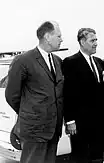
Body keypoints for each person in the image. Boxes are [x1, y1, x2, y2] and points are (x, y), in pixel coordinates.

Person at [5, 21, 64, 163]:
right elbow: (11, 95)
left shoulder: (57, 61)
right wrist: (31, 113)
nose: (61, 40)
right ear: (48, 37)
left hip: (53, 130)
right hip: (33, 131)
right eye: (59, 36)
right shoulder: (23, 60)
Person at [62, 28, 104, 163]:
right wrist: (70, 121)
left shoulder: (99, 62)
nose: (96, 43)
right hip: (80, 122)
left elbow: (102, 90)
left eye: (96, 40)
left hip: (98, 121)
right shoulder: (71, 62)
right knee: (80, 156)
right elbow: (68, 93)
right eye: (92, 40)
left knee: (97, 156)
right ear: (82, 42)